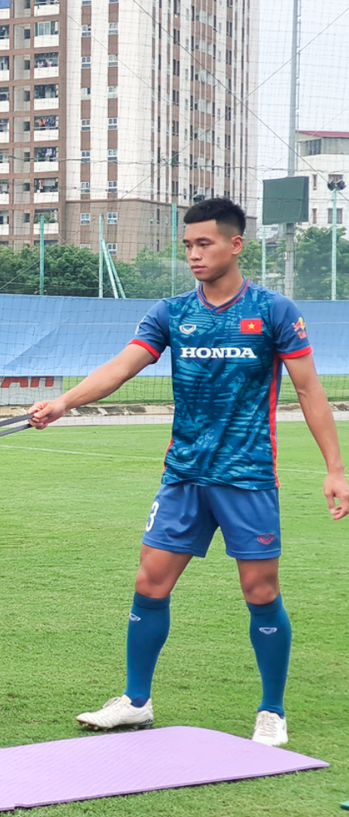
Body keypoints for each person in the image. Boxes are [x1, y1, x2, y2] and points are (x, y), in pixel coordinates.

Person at [28, 198, 349, 748]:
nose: (194, 255)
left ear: (235, 245)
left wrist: (335, 468)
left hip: (248, 478)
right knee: (149, 583)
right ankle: (135, 701)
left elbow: (309, 389)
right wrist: (65, 402)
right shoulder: (172, 312)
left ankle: (271, 710)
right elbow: (123, 366)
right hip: (184, 476)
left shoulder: (273, 310)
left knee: (260, 590)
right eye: (188, 246)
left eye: (205, 244)